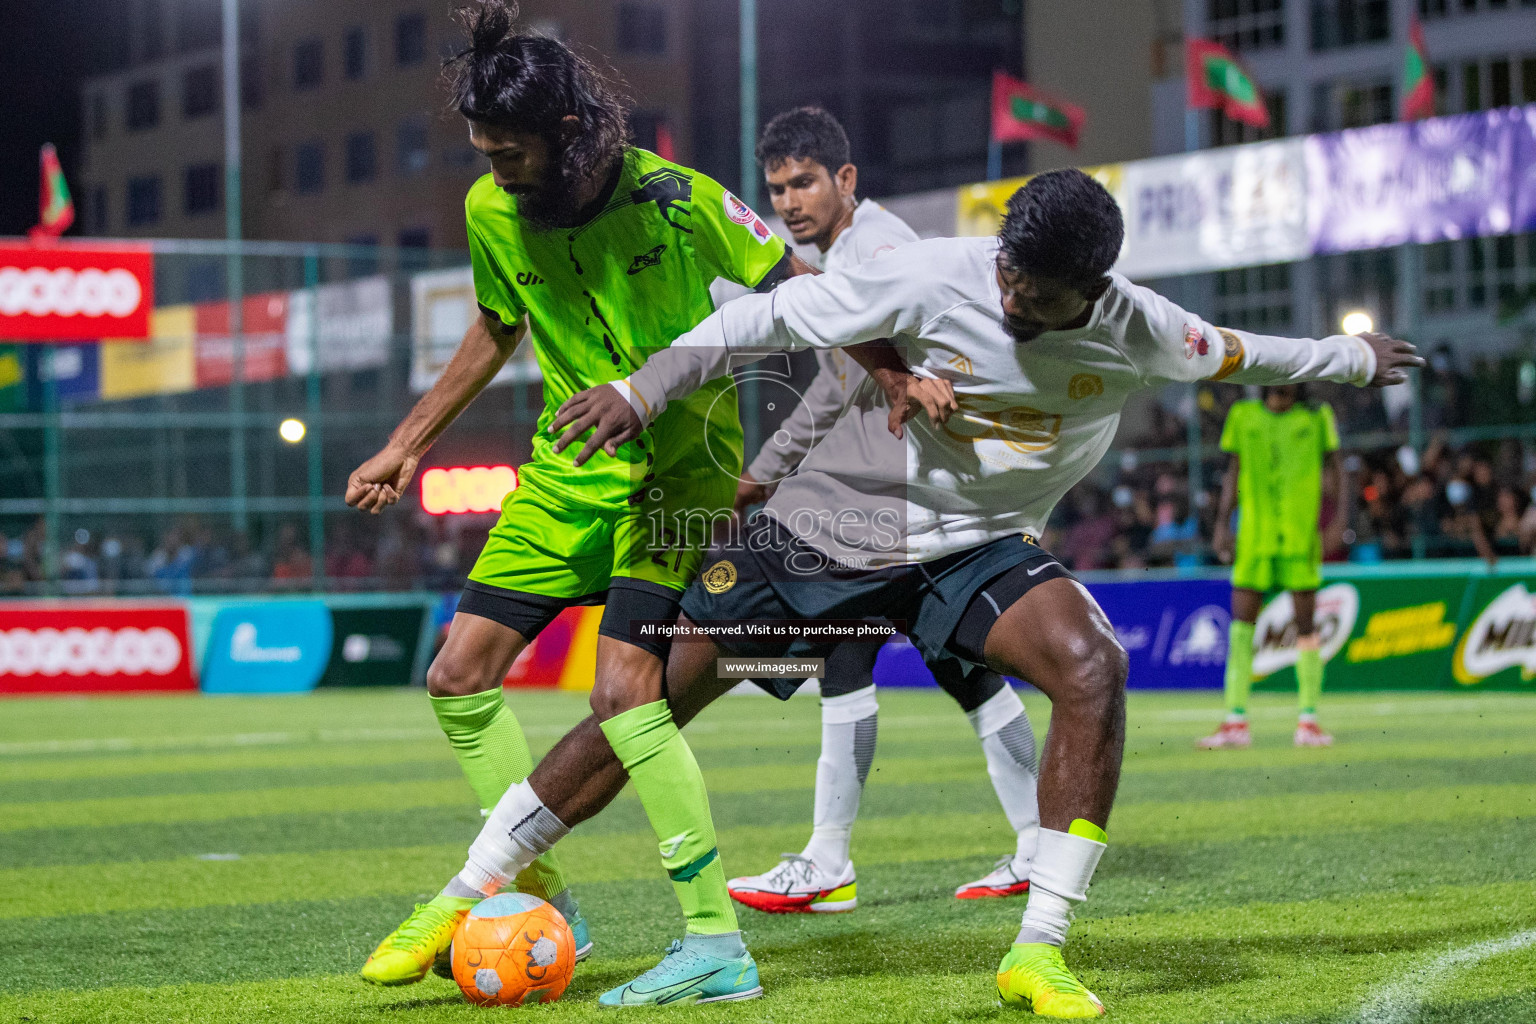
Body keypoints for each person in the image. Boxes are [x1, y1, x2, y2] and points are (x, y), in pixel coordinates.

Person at [418, 168, 1422, 1016]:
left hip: (974, 548)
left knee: (1092, 664)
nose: (1014, 295)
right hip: (835, 525)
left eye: (1038, 288)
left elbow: (1250, 354)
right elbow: (767, 315)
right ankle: (470, 885)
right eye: (1010, 270)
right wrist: (641, 392)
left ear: (1094, 287)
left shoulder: (1147, 332)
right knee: (650, 696)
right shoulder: (935, 276)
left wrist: (1353, 359)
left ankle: (1039, 946)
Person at [344, 1, 848, 1000]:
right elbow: (498, 324)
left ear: (568, 131)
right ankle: (532, 894)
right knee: (457, 675)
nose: (496, 175)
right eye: (484, 154)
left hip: (678, 475)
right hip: (566, 470)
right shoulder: (496, 213)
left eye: (510, 156)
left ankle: (715, 942)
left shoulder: (678, 197)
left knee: (623, 699)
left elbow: (804, 286)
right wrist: (407, 444)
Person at [722, 106, 1041, 915]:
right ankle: (1034, 846)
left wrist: (765, 474)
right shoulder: (837, 257)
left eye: (804, 182)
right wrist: (768, 472)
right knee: (958, 671)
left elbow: (917, 364)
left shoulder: (881, 251)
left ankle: (828, 861)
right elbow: (840, 382)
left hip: (900, 503)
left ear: (846, 180)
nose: (790, 202)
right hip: (911, 499)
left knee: (843, 658)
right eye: (778, 188)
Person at [1202, 385, 1342, 749]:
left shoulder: (1316, 415)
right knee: (1240, 630)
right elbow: (1233, 472)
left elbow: (1336, 472)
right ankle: (1235, 721)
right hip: (1253, 537)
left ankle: (1308, 720)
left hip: (1300, 537)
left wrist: (1339, 522)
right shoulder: (1243, 415)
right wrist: (1222, 524)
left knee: (1307, 628)